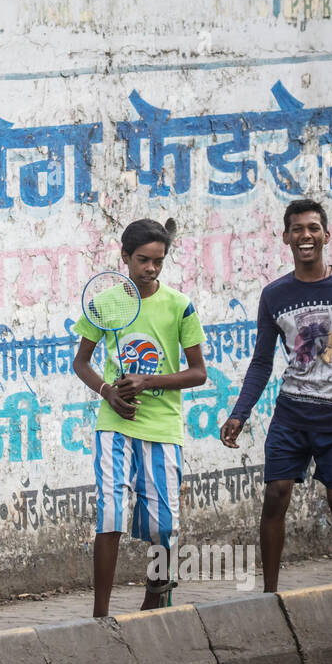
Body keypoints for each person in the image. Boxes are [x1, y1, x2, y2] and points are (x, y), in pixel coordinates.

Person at [219, 199, 332, 592]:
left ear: (326, 234)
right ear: (285, 237)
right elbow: (260, 363)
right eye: (297, 229)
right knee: (276, 493)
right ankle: (270, 593)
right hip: (291, 414)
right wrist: (240, 413)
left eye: (313, 228)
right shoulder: (274, 294)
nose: (305, 236)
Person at [72, 220, 207, 613]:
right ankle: (100, 613)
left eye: (158, 261)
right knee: (110, 514)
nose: (150, 269)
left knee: (165, 525)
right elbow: (81, 363)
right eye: (143, 260)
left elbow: (198, 373)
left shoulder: (179, 305)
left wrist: (147, 381)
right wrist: (107, 392)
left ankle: (156, 590)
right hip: (115, 423)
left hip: (162, 426)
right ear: (125, 258)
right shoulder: (107, 302)